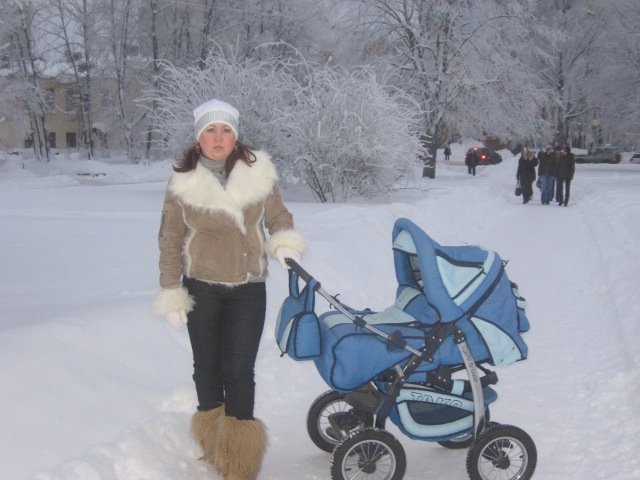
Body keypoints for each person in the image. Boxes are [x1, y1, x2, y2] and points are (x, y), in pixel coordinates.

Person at [151, 99, 307, 480]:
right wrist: (171, 290)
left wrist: (284, 242)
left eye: (225, 130)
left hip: (248, 287)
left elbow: (278, 215)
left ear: (235, 136)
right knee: (206, 367)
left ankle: (238, 460)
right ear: (199, 137)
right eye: (210, 130)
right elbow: (170, 238)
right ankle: (213, 443)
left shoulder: (259, 173)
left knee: (239, 370)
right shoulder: (182, 182)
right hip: (201, 287)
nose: (218, 138)